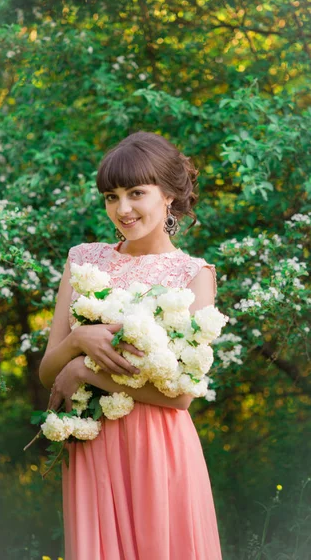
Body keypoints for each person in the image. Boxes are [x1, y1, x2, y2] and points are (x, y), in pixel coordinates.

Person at [39, 131, 223, 560]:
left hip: (158, 448)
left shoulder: (194, 275)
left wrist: (85, 370)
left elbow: (180, 398)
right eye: (111, 196)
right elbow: (49, 370)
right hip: (93, 443)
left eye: (136, 193)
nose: (122, 209)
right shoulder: (83, 260)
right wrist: (79, 340)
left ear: (170, 197)